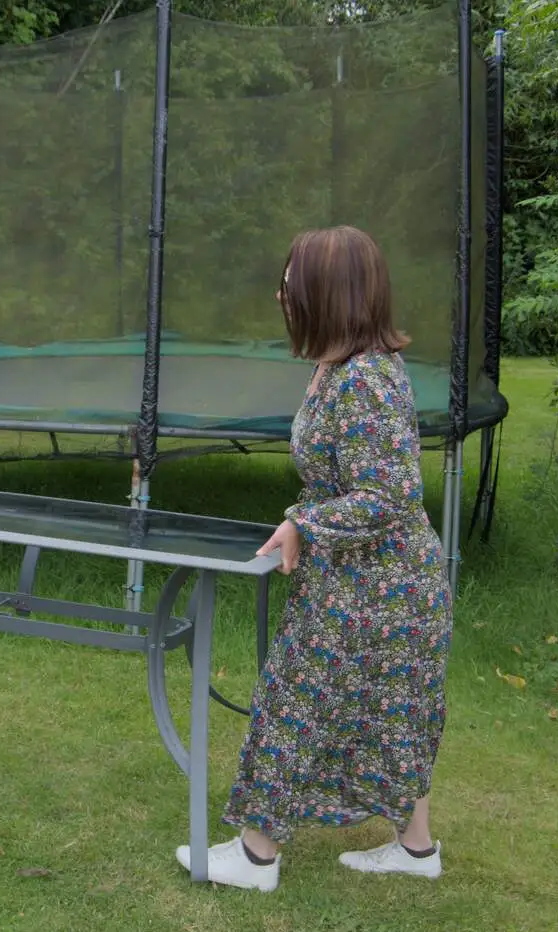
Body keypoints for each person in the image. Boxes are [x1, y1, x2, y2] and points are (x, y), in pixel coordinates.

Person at [177, 226, 453, 890]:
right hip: (364, 580)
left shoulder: (367, 379)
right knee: (395, 710)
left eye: (291, 281)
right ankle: (417, 852)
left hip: (381, 591)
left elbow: (390, 493)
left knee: (294, 703)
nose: (281, 292)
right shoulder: (337, 365)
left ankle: (254, 856)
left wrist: (305, 519)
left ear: (328, 293)